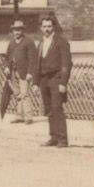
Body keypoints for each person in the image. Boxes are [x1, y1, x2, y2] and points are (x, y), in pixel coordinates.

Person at [35, 12, 72, 147]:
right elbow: (37, 63)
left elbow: (66, 63)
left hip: (56, 78)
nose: (47, 29)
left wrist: (63, 82)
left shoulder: (61, 41)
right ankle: (53, 137)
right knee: (49, 109)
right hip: (44, 80)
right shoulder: (41, 43)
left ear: (53, 27)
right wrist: (36, 82)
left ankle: (63, 139)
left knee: (57, 108)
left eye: (49, 26)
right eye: (44, 26)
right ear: (41, 28)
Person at [1, 19, 39, 123]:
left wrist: (30, 73)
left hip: (24, 72)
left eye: (19, 30)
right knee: (17, 94)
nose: (17, 32)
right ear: (12, 31)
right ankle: (19, 116)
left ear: (23, 30)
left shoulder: (29, 41)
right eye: (15, 30)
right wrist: (6, 67)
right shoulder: (12, 42)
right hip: (13, 72)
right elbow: (7, 57)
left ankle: (28, 117)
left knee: (24, 94)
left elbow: (33, 59)